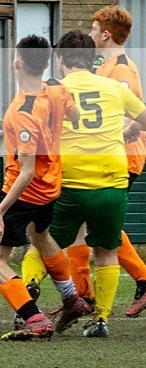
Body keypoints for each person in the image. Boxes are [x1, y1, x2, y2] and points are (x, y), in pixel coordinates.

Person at [21, 6, 146, 319]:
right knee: (94, 229)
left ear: (104, 34)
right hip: (105, 160)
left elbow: (132, 116)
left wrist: (128, 130)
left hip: (113, 159)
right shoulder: (106, 72)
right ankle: (85, 296)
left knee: (97, 233)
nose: (91, 34)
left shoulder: (119, 69)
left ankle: (137, 280)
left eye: (94, 29)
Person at [0, 35, 90, 341]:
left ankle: (35, 318)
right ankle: (72, 299)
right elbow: (76, 116)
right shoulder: (57, 88)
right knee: (40, 237)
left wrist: (0, 210)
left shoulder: (22, 112)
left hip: (26, 191)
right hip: (52, 185)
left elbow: (26, 171)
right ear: (45, 64)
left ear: (16, 63)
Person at [48, 30, 146, 338]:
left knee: (44, 241)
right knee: (107, 250)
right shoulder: (112, 86)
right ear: (93, 59)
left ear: (59, 58)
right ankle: (101, 319)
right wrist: (129, 128)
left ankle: (31, 303)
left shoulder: (53, 90)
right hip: (112, 180)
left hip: (71, 181)